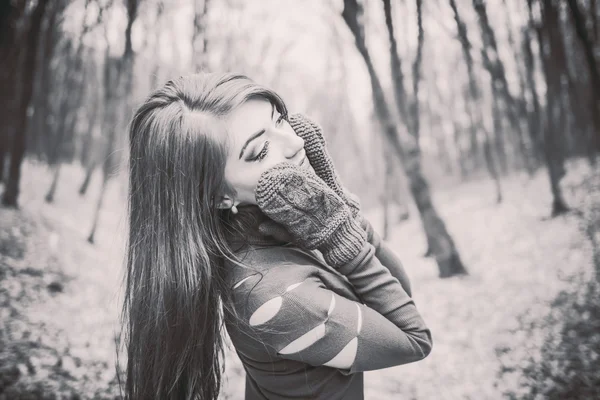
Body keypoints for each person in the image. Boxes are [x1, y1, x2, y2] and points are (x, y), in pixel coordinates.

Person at [121, 72, 432, 400]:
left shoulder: (280, 229)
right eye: (260, 150)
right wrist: (346, 243)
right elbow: (414, 338)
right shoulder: (277, 296)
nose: (295, 142)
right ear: (219, 196)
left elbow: (396, 294)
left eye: (279, 120)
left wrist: (342, 206)